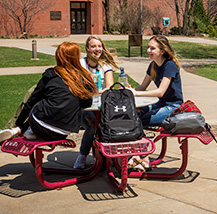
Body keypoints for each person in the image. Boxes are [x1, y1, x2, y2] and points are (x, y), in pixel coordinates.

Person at [0, 42, 95, 144]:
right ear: (76, 57)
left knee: (40, 100)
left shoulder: (51, 74)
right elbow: (87, 103)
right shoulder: (84, 77)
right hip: (63, 131)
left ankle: (19, 129)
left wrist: (18, 123)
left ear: (58, 56)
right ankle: (26, 131)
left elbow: (31, 101)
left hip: (39, 124)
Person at [127, 35, 183, 171]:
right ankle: (137, 154)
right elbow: (142, 87)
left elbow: (160, 92)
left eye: (152, 48)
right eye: (148, 47)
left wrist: (137, 94)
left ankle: (144, 157)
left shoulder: (169, 65)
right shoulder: (153, 65)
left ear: (162, 51)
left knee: (137, 122)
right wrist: (128, 91)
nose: (148, 50)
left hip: (172, 106)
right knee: (131, 116)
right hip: (160, 103)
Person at [73, 36, 119, 169]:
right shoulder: (81, 64)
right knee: (93, 125)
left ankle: (111, 156)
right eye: (93, 46)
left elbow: (110, 86)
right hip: (83, 108)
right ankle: (82, 155)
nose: (97, 49)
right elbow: (77, 87)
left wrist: (102, 90)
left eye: (99, 46)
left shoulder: (105, 65)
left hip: (101, 105)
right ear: (87, 49)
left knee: (112, 123)